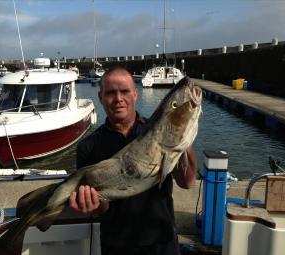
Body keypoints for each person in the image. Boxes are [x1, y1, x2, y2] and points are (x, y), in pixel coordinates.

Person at [69, 67, 197, 255]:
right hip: (117, 246)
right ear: (101, 97)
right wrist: (94, 205)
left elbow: (187, 182)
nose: (118, 99)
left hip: (163, 242)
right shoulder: (88, 147)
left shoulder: (156, 131)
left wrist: (180, 131)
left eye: (125, 91)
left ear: (135, 94)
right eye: (111, 92)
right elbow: (100, 208)